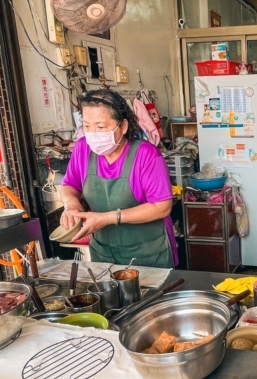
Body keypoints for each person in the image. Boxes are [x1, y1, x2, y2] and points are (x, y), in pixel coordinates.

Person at [59, 89, 176, 268]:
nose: (93, 134)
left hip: (147, 254)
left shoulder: (146, 155)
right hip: (103, 252)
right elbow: (69, 185)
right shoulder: (82, 149)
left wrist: (107, 218)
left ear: (123, 126)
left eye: (101, 127)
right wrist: (71, 205)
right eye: (87, 126)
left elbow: (162, 207)